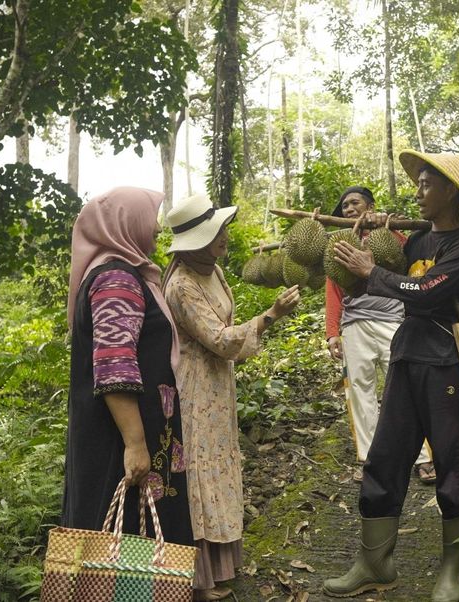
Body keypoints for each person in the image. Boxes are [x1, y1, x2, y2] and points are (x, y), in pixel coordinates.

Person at [322, 151, 459, 602]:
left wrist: (371, 270)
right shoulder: (415, 241)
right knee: (384, 458)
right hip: (407, 356)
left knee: (452, 463)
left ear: (451, 191)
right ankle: (376, 562)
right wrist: (372, 244)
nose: (418, 191)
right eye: (419, 184)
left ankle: (453, 566)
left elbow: (427, 290)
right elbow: (386, 280)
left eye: (428, 184)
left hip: (448, 363)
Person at [163, 194, 301, 602]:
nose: (225, 236)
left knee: (220, 465)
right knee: (201, 472)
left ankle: (221, 565)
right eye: (216, 231)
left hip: (218, 386)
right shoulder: (182, 286)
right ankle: (198, 579)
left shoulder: (214, 271)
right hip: (195, 386)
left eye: (222, 228)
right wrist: (270, 316)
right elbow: (220, 340)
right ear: (196, 242)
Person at [62, 186, 193, 548]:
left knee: (129, 540)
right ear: (127, 222)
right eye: (150, 218)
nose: (156, 228)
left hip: (133, 430)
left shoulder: (122, 275)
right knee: (124, 541)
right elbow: (114, 366)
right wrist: (135, 444)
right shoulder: (116, 279)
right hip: (121, 436)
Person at [326, 186, 436, 485]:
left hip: (392, 320)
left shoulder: (391, 234)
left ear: (370, 205)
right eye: (344, 205)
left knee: (407, 386)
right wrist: (332, 333)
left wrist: (389, 226)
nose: (348, 209)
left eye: (354, 203)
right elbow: (334, 289)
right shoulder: (340, 242)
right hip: (355, 325)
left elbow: (406, 260)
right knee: (360, 392)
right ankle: (369, 459)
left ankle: (424, 458)